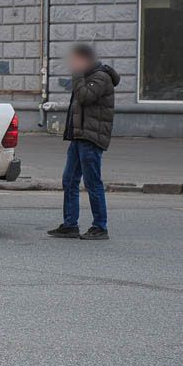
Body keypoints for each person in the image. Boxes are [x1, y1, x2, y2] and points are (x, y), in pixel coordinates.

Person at [48, 43, 119, 241]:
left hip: (91, 138)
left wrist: (78, 74)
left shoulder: (100, 77)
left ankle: (100, 226)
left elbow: (85, 97)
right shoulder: (88, 76)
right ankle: (70, 224)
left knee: (92, 182)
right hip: (78, 137)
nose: (72, 63)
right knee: (69, 180)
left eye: (75, 60)